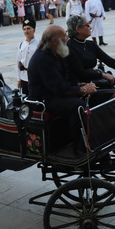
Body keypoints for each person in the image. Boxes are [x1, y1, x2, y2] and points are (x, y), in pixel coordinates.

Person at [27, 25, 99, 156]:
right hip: (44, 100)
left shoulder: (55, 52)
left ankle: (93, 136)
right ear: (54, 40)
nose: (67, 38)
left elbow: (65, 79)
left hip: (54, 94)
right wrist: (82, 90)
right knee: (78, 105)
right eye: (64, 36)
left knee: (94, 96)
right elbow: (59, 88)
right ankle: (80, 148)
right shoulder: (43, 58)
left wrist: (79, 85)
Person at [65, 14, 115, 88]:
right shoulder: (69, 47)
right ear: (78, 29)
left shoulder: (90, 44)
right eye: (87, 25)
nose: (91, 27)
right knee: (114, 95)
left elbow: (108, 60)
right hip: (80, 85)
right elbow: (80, 72)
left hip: (94, 80)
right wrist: (103, 75)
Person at [16, 18, 38, 95]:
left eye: (28, 29)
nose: (26, 31)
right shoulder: (21, 45)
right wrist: (19, 79)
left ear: (34, 30)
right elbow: (18, 62)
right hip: (24, 77)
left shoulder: (39, 44)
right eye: (24, 29)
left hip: (36, 77)